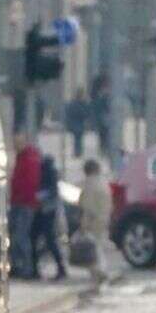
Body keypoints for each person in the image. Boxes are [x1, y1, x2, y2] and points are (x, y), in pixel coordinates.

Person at [7, 136, 41, 279]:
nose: (15, 145)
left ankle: (26, 267)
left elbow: (29, 183)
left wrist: (21, 198)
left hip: (25, 204)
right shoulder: (22, 157)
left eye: (18, 142)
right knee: (15, 237)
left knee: (21, 237)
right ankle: (17, 266)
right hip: (18, 202)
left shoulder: (29, 158)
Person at [78, 158, 114, 288]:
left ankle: (100, 273)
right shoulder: (103, 183)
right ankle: (101, 273)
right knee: (99, 246)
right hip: (104, 218)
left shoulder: (89, 184)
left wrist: (83, 223)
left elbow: (87, 206)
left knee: (92, 249)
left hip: (93, 220)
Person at [31, 155, 67, 281]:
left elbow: (50, 191)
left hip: (44, 210)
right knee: (47, 239)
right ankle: (59, 268)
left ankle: (35, 269)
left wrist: (37, 197)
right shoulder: (51, 172)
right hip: (46, 211)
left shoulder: (46, 172)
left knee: (38, 238)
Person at [65, 89, 89, 158]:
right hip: (77, 123)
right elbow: (83, 112)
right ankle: (78, 152)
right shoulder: (78, 103)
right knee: (78, 139)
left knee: (78, 139)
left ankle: (78, 152)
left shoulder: (77, 103)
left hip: (78, 123)